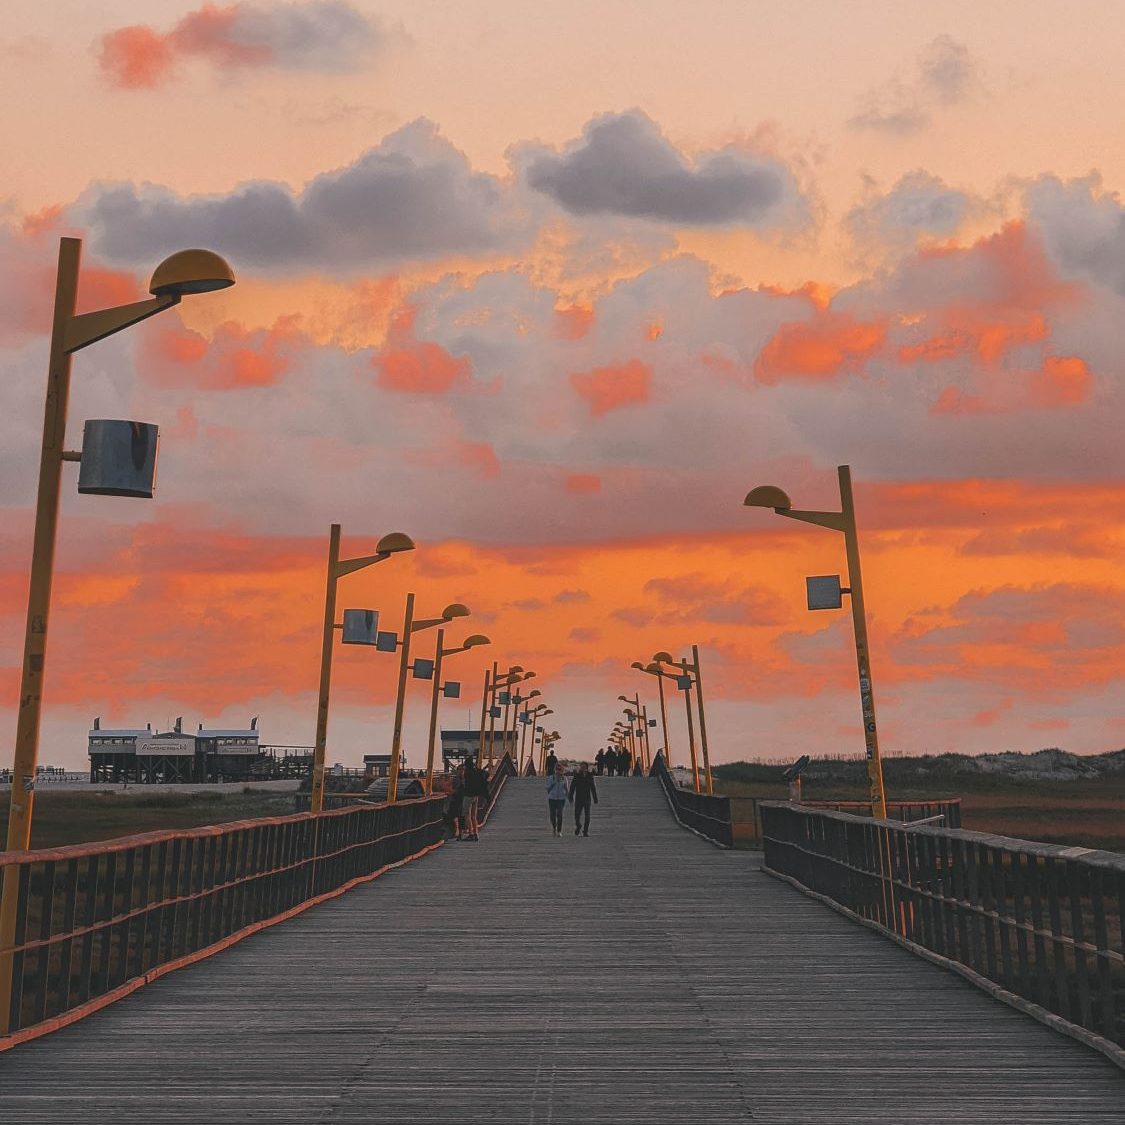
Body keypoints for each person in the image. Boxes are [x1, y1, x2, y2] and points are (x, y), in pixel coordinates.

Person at [568, 761, 598, 836]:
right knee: (577, 815)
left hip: (587, 799)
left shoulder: (590, 775)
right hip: (578, 798)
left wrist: (595, 798)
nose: (583, 768)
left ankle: (585, 831)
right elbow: (572, 786)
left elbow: (592, 787)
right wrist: (570, 796)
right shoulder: (577, 775)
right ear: (580, 768)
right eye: (582, 767)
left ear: (587, 768)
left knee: (587, 816)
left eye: (584, 767)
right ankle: (578, 826)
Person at [546, 762, 569, 836]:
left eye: (559, 769)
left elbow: (566, 789)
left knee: (559, 814)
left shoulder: (564, 778)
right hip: (552, 798)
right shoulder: (551, 778)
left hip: (561, 799)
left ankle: (559, 830)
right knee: (552, 815)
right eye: (557, 769)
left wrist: (569, 796)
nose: (558, 771)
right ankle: (554, 827)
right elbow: (548, 790)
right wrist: (554, 782)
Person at [462, 758, 481, 841]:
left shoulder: (467, 773)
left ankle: (470, 833)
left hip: (468, 795)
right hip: (476, 796)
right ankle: (476, 833)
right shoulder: (477, 772)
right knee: (474, 816)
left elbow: (463, 782)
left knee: (467, 815)